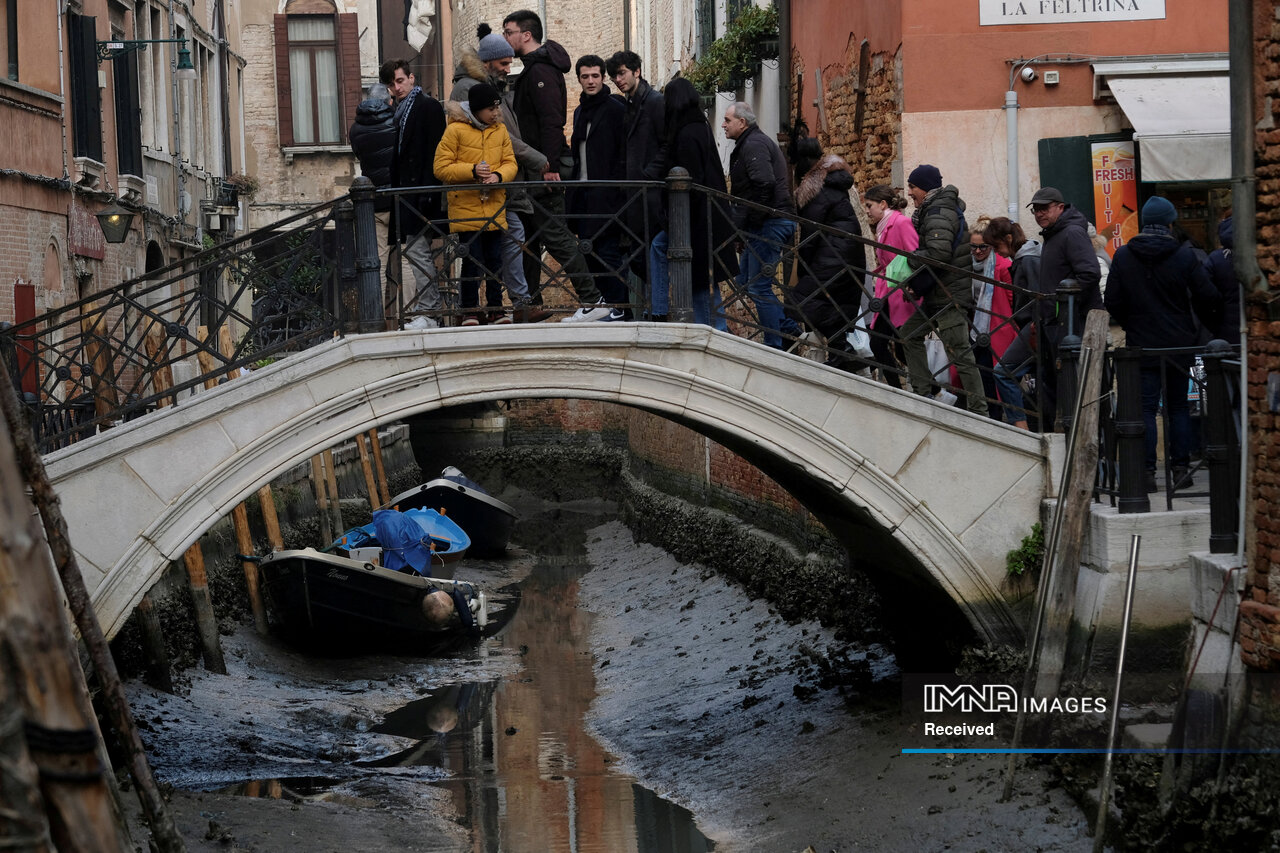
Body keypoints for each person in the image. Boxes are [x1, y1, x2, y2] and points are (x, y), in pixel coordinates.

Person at [1104, 196, 1222, 492]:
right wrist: (1198, 326)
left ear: (1144, 222)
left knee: (1145, 408)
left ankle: (1146, 473)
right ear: (1170, 223)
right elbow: (1207, 296)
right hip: (1179, 343)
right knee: (1178, 407)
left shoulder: (1124, 255)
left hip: (1143, 343)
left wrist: (1132, 323)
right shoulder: (1184, 255)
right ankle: (1180, 470)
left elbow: (1113, 301)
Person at [502, 10, 609, 320]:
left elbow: (552, 122)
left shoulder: (540, 73)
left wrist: (547, 165)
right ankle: (530, 305)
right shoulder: (535, 69)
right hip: (535, 166)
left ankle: (593, 301)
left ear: (525, 35)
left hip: (542, 168)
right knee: (532, 239)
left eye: (509, 31)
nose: (506, 37)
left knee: (556, 236)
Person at [448, 24, 551, 323]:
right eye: (504, 63)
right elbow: (489, 140)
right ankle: (487, 308)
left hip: (499, 185)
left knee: (500, 245)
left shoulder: (490, 87)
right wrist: (535, 158)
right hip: (479, 190)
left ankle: (507, 306)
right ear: (488, 62)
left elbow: (503, 143)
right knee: (478, 253)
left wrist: (506, 172)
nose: (509, 68)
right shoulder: (470, 88)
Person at [896, 164, 988, 416]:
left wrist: (909, 259)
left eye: (913, 187)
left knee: (960, 352)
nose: (910, 192)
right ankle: (925, 390)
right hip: (940, 293)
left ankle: (980, 412)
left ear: (924, 188)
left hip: (950, 296)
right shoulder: (936, 210)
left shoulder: (938, 211)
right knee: (909, 333)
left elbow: (939, 252)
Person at [647, 77, 738, 327]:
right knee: (698, 274)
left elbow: (690, 180)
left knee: (700, 278)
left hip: (695, 218)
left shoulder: (688, 132)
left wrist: (676, 217)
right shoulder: (697, 126)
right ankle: (665, 310)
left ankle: (708, 328)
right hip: (700, 216)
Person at [433, 83, 518, 326]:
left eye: (496, 107)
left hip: (494, 206)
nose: (495, 113)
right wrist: (471, 170)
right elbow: (440, 167)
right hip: (466, 208)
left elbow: (510, 162)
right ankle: (468, 310)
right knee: (472, 260)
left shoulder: (499, 131)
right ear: (478, 109)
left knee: (495, 260)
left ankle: (495, 309)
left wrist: (499, 176)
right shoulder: (455, 131)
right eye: (491, 109)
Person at [1022, 185, 1103, 428]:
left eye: (1044, 209)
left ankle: (1078, 437)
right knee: (1058, 384)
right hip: (1056, 322)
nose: (1039, 214)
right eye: (1035, 210)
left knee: (1074, 386)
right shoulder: (1054, 233)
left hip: (1071, 324)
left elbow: (1090, 274)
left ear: (1060, 207)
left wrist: (1062, 302)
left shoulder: (1071, 233)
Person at [723, 101, 796, 349]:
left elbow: (764, 184)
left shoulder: (753, 144)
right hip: (763, 222)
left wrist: (749, 222)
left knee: (759, 286)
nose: (723, 124)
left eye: (727, 120)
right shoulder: (750, 143)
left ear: (742, 122)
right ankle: (786, 327)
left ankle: (775, 344)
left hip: (770, 222)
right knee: (744, 279)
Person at [382, 59, 447, 331]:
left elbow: (434, 151)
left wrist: (427, 193)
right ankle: (430, 311)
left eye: (400, 81)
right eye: (391, 84)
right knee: (415, 252)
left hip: (422, 194)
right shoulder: (401, 112)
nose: (396, 88)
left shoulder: (427, 107)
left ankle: (431, 312)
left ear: (411, 78)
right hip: (408, 195)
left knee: (418, 253)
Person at [784, 152, 865, 370]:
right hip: (847, 252)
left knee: (801, 299)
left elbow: (810, 235)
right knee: (831, 302)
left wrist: (802, 267)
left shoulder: (814, 192)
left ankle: (842, 349)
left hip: (832, 253)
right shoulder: (835, 188)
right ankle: (841, 351)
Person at [567, 55, 629, 321]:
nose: (590, 81)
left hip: (608, 194)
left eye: (595, 76)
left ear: (603, 77)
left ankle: (620, 308)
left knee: (608, 252)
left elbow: (622, 152)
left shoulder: (616, 109)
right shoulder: (579, 111)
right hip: (582, 193)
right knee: (587, 250)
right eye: (585, 76)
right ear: (579, 79)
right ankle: (602, 305)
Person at [607, 50, 665, 286]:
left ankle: (659, 312)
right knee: (640, 258)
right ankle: (653, 311)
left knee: (650, 256)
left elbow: (667, 144)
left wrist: (648, 173)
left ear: (637, 71)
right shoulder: (630, 104)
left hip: (650, 193)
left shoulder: (654, 102)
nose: (618, 80)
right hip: (635, 195)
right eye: (614, 77)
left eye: (621, 74)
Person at [984, 216, 1042, 429]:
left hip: (1034, 327)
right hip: (1033, 326)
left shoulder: (1028, 261)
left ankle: (1020, 426)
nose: (996, 252)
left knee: (1003, 371)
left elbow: (1038, 296)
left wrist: (1035, 323)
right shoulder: (1025, 259)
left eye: (996, 246)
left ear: (1008, 238)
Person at [862, 185, 918, 388]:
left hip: (901, 293)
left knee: (903, 347)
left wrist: (911, 283)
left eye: (869, 206)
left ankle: (933, 389)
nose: (867, 211)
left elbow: (913, 253)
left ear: (883, 204)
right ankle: (896, 389)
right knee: (878, 343)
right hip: (887, 292)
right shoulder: (882, 226)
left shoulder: (900, 223)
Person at [966, 222, 1015, 422]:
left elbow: (1012, 297)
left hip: (996, 325)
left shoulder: (1003, 265)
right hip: (974, 326)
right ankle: (981, 412)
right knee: (976, 370)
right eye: (973, 247)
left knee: (993, 372)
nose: (977, 251)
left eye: (982, 247)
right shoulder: (967, 264)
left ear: (992, 246)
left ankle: (997, 415)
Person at [348, 83, 396, 195]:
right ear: (390, 102)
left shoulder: (355, 128)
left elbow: (358, 154)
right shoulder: (396, 122)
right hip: (395, 190)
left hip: (370, 191)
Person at [1204, 213, 1240, 345]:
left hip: (1224, 329)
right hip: (1257, 324)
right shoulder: (1258, 255)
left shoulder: (1215, 259)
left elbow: (1205, 295)